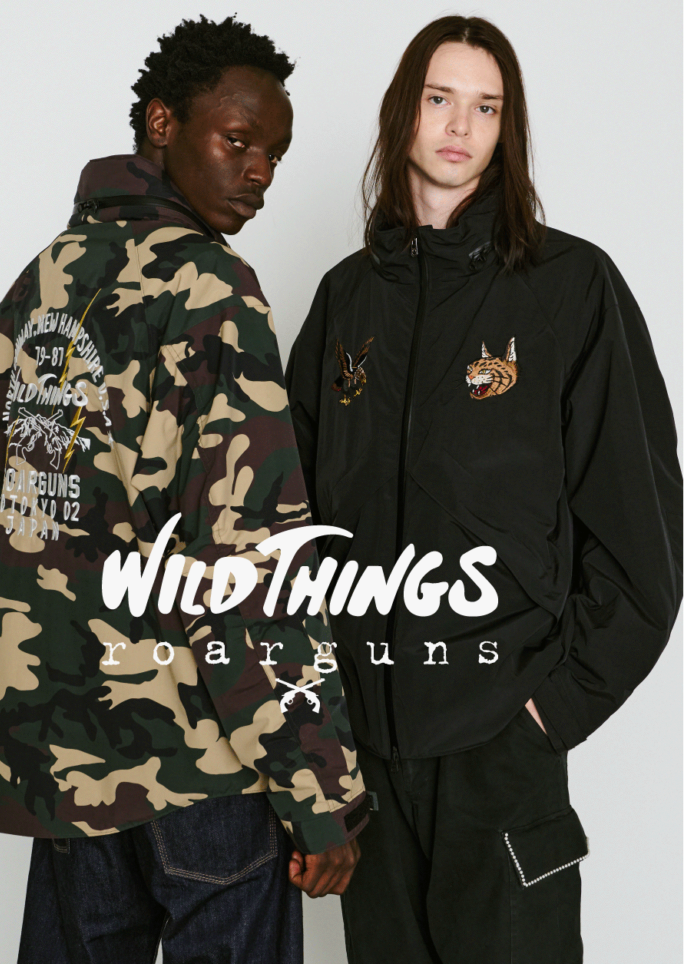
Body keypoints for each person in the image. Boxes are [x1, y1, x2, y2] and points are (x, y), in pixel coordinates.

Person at [0, 16, 367, 964]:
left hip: (66, 768)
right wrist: (320, 790)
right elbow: (250, 564)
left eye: (274, 154)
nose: (259, 173)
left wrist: (43, 684)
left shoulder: (44, 280)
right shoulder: (213, 289)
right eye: (238, 140)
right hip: (200, 768)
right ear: (162, 121)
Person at [285, 15, 684, 964]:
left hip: (500, 757)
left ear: (508, 128)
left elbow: (646, 533)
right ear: (403, 113)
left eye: (487, 106)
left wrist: (547, 714)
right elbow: (287, 532)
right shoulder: (346, 300)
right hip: (367, 767)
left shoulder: (569, 287)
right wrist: (319, 732)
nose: (460, 125)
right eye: (439, 98)